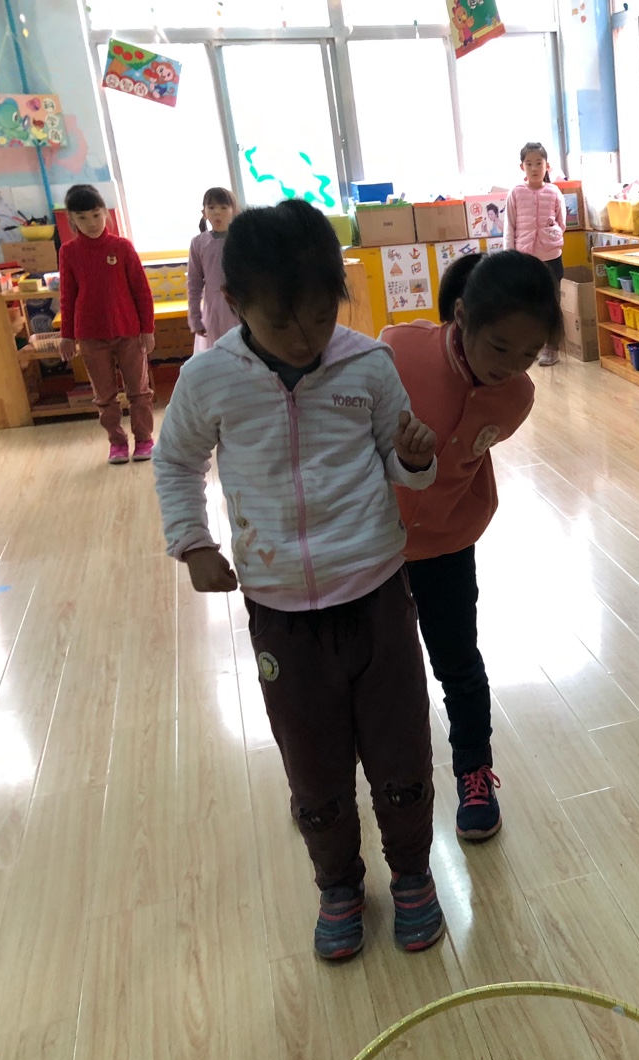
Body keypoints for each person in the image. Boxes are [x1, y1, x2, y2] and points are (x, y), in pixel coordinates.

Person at [153, 199, 447, 962]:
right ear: (234, 302)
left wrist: (414, 457)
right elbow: (176, 461)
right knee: (312, 764)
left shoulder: (367, 364)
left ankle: (413, 873)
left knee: (401, 752)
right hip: (280, 610)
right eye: (282, 321)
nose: (305, 337)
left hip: (377, 596)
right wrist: (192, 544)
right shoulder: (210, 378)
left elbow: (401, 461)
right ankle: (338, 885)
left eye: (320, 316)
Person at [380, 249, 559, 844]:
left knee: (458, 662)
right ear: (461, 318)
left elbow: (472, 452)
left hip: (449, 542)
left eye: (528, 354)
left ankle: (473, 774)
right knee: (380, 671)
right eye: (499, 347)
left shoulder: (517, 397)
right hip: (372, 545)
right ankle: (341, 777)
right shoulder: (398, 351)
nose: (511, 366)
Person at [57, 183, 156, 465]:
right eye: (83, 218)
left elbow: (141, 291)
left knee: (139, 391)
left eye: (96, 215)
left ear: (105, 213)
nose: (92, 223)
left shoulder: (122, 247)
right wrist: (67, 335)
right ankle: (117, 442)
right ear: (72, 219)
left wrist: (147, 329)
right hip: (90, 335)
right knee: (104, 396)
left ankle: (144, 439)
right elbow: (67, 295)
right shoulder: (68, 252)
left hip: (129, 333)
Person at [504, 142, 566, 366]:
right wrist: (510, 257)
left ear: (547, 166)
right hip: (525, 259)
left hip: (551, 257)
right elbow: (509, 227)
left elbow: (561, 223)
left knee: (553, 303)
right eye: (529, 163)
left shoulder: (554, 192)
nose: (534, 168)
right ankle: (530, 346)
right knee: (528, 305)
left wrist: (550, 238)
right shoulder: (516, 193)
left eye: (539, 163)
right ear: (522, 167)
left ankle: (552, 348)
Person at [186, 186, 241, 352]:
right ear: (204, 212)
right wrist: (195, 318)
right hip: (213, 311)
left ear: (234, 211)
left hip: (241, 307)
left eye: (223, 207)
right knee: (218, 353)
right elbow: (194, 283)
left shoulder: (242, 239)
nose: (217, 212)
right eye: (211, 207)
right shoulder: (198, 243)